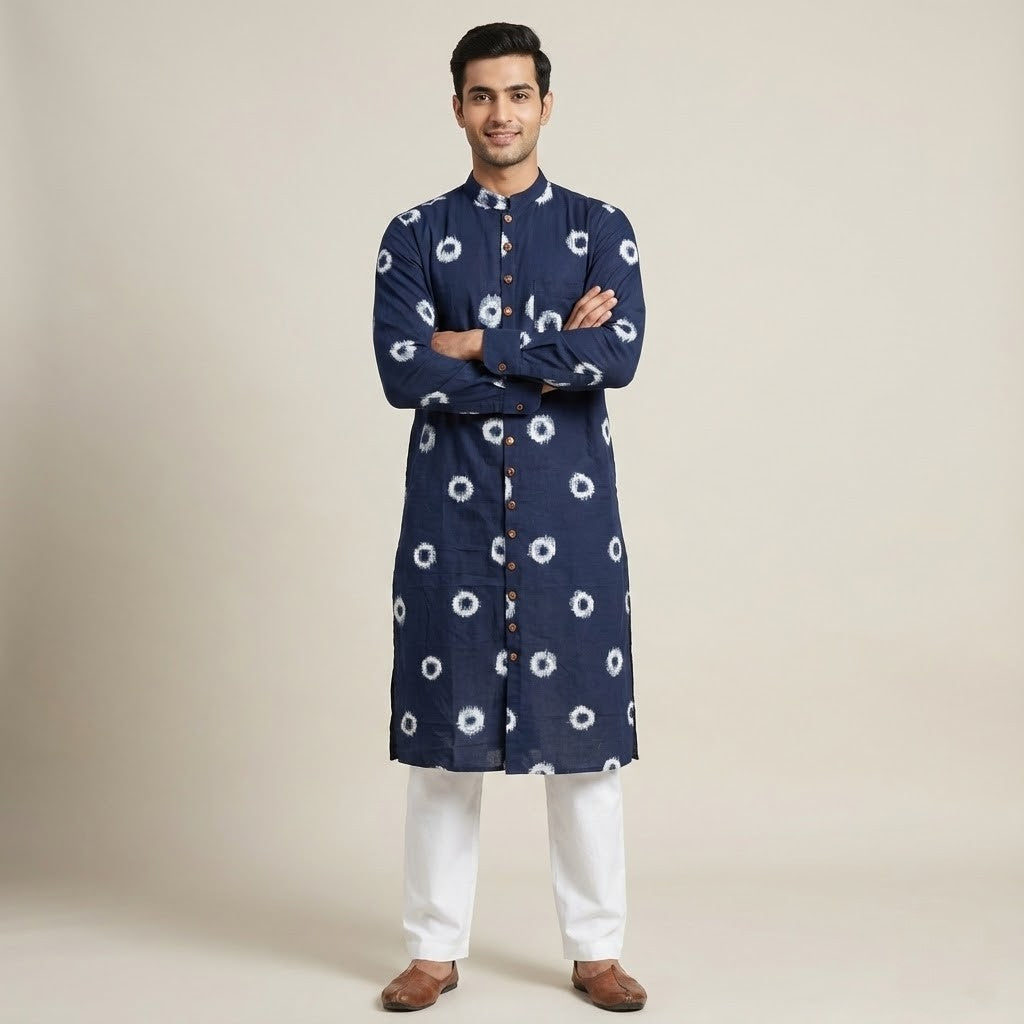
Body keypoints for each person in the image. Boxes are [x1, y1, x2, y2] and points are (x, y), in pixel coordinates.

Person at [372, 22, 648, 1012]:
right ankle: (432, 951)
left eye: (518, 94)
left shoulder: (600, 226)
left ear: (545, 105)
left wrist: (477, 345)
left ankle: (597, 951)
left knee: (585, 753)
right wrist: (545, 354)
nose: (501, 113)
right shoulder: (412, 234)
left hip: (572, 530)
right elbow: (402, 370)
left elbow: (617, 356)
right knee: (444, 756)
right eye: (483, 95)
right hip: (449, 531)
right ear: (458, 108)